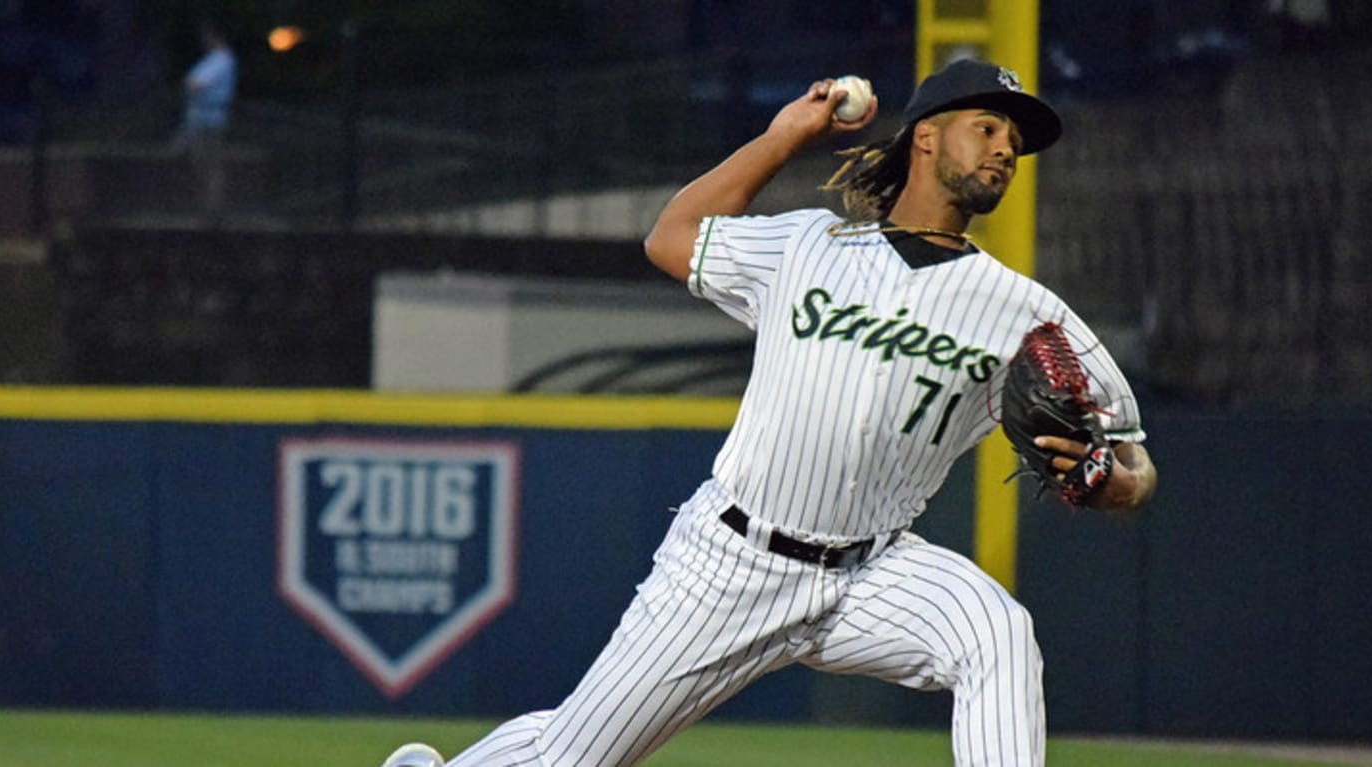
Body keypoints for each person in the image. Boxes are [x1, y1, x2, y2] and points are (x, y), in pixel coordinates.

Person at [385, 56, 1158, 767]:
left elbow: (1132, 454)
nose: (1004, 150)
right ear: (926, 137)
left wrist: (1122, 484)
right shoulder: (809, 246)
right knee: (573, 756)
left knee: (995, 632)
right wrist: (782, 137)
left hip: (873, 568)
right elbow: (672, 237)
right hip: (730, 562)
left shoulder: (1027, 313)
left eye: (1015, 141)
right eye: (987, 127)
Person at [171, 19, 236, 221]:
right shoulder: (212, 60)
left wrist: (188, 86)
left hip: (208, 121)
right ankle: (200, 207)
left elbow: (195, 84)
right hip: (198, 119)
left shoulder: (222, 60)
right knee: (195, 162)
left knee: (209, 165)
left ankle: (211, 211)